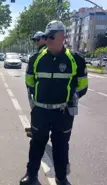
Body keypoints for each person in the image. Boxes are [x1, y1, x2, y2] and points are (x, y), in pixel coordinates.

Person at [20, 20, 88, 185]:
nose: (47, 39)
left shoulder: (76, 59)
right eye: (45, 36)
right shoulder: (36, 58)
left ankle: (61, 177)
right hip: (41, 112)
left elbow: (83, 86)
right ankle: (31, 175)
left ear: (63, 37)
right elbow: (29, 82)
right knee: (37, 143)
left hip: (63, 112)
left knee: (61, 146)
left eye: (51, 36)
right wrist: (35, 102)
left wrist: (73, 96)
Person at [25, 31, 47, 137]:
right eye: (35, 40)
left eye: (38, 40)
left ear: (44, 38)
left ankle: (35, 131)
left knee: (36, 112)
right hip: (37, 89)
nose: (36, 42)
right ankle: (34, 127)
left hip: (37, 90)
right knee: (36, 112)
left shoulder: (40, 54)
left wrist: (31, 89)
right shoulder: (40, 52)